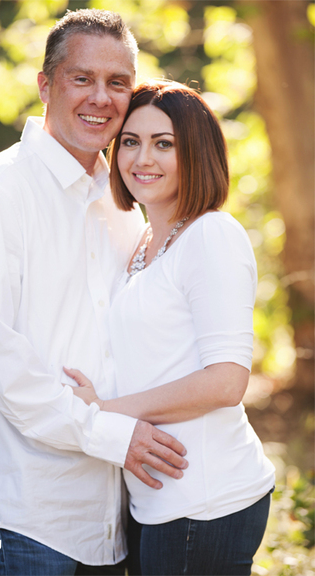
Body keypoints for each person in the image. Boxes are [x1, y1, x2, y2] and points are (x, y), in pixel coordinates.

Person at [0, 10, 189, 576]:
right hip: (24, 510)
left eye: (117, 82)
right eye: (82, 78)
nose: (101, 97)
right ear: (45, 85)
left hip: (113, 514)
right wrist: (110, 434)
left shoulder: (125, 202)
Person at [64, 81, 276, 576]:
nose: (143, 159)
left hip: (206, 500)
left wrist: (102, 413)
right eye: (131, 142)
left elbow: (227, 381)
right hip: (155, 502)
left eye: (164, 144)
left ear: (196, 152)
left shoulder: (211, 235)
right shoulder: (144, 242)